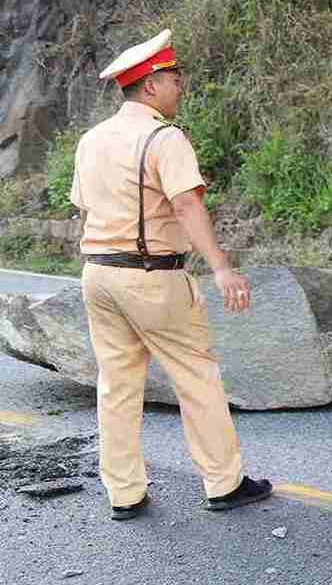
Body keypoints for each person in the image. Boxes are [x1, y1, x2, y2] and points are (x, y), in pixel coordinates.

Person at [70, 29, 272, 521]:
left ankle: (124, 494)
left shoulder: (91, 139)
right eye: (174, 78)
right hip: (152, 276)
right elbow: (185, 203)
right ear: (151, 85)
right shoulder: (164, 137)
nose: (180, 87)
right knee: (196, 377)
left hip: (98, 274)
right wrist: (221, 269)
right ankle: (224, 483)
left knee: (116, 386)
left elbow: (82, 207)